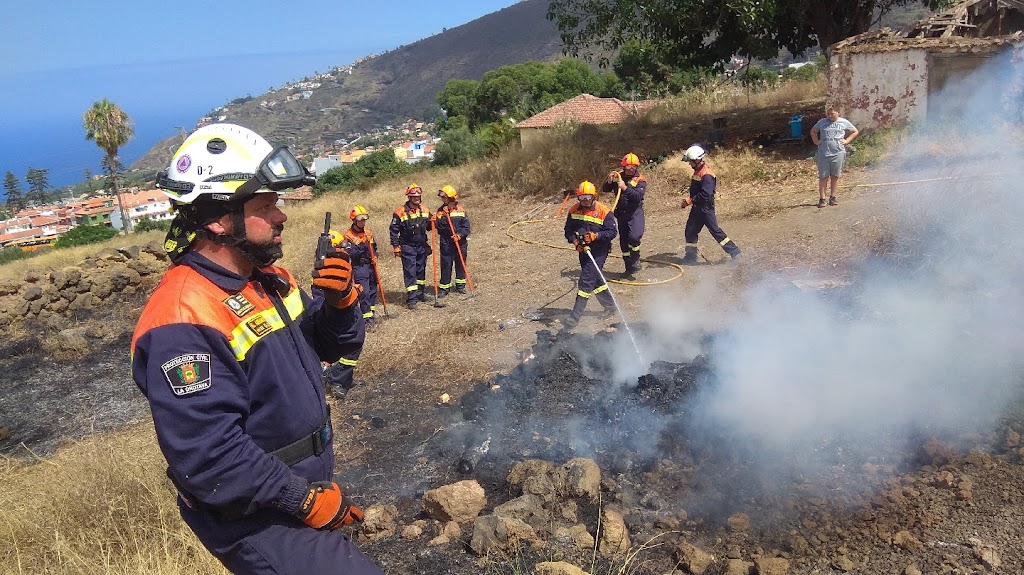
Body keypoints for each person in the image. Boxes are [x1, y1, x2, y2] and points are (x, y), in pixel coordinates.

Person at [131, 123, 382, 575]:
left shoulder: (268, 280)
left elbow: (328, 346)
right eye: (266, 205)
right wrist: (303, 501)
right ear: (217, 218)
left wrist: (342, 304)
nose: (281, 216)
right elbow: (210, 457)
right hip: (253, 514)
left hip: (294, 486)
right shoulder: (183, 318)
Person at [322, 205, 379, 399]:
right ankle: (336, 380)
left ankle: (344, 378)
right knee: (349, 345)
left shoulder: (339, 262)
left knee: (355, 344)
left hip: (349, 308)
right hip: (338, 315)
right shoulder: (327, 269)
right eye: (339, 248)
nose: (343, 250)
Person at [563, 180, 618, 329]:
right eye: (582, 198)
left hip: (599, 251)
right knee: (596, 280)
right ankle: (610, 306)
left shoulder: (604, 211)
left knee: (586, 281)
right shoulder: (573, 210)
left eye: (588, 198)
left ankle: (575, 317)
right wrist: (575, 242)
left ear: (594, 196)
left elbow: (612, 232)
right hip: (583, 250)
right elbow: (568, 231)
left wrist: (596, 236)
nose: (585, 201)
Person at [680, 144, 741, 263]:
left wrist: (690, 200)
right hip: (698, 207)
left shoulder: (706, 174)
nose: (689, 164)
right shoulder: (698, 170)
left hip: (705, 208)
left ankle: (735, 253)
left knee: (715, 231)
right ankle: (691, 257)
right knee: (690, 231)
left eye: (690, 161)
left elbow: (706, 194)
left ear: (697, 160)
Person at [602, 153, 646, 277]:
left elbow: (638, 197)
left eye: (633, 167)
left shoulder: (640, 180)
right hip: (621, 213)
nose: (630, 169)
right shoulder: (618, 176)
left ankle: (635, 258)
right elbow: (606, 189)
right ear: (624, 166)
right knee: (624, 241)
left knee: (634, 236)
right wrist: (610, 181)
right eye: (628, 167)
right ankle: (628, 268)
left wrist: (625, 188)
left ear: (636, 167)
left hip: (635, 212)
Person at [390, 183, 432, 309]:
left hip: (421, 246)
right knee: (410, 272)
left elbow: (429, 226)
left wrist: (434, 220)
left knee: (421, 270)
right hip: (407, 246)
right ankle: (412, 299)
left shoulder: (425, 210)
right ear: (409, 197)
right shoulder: (400, 212)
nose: (417, 198)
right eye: (414, 196)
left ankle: (420, 294)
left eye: (418, 196)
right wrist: (396, 246)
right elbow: (393, 231)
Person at [810, 105, 859, 207]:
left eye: (832, 113)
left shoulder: (843, 122)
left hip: (838, 153)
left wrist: (846, 141)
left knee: (835, 176)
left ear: (838, 113)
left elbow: (855, 131)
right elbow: (813, 131)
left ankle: (833, 197)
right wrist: (816, 141)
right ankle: (822, 199)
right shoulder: (822, 122)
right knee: (823, 176)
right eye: (828, 114)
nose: (830, 116)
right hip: (824, 153)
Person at [433, 185, 470, 297]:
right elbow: (439, 227)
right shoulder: (440, 211)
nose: (442, 199)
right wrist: (439, 219)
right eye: (442, 197)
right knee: (446, 264)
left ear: (451, 198)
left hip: (460, 242)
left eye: (444, 197)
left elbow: (466, 228)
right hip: (446, 243)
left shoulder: (461, 210)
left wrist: (459, 235)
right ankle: (444, 288)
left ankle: (460, 285)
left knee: (460, 263)